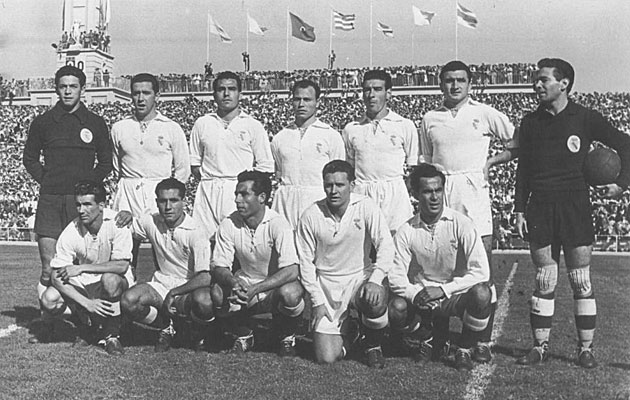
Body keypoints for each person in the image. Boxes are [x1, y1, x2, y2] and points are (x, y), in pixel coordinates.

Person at [514, 58, 630, 369]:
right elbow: (523, 169)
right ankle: (539, 346)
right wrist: (519, 209)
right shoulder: (529, 122)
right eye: (536, 80)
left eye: (544, 80)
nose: (537, 85)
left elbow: (625, 144)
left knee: (580, 280)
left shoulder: (586, 118)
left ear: (564, 83)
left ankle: (585, 349)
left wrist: (621, 184)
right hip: (539, 205)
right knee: (544, 279)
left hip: (575, 205)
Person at [418, 60, 519, 362]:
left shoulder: (484, 113)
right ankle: (440, 339)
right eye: (448, 80)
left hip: (474, 198)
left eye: (460, 80)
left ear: (470, 84)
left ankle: (481, 340)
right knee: (440, 268)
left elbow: (518, 142)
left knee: (481, 272)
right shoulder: (429, 118)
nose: (454, 85)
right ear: (441, 84)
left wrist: (490, 163)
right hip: (441, 196)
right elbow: (425, 161)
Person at [23, 65, 112, 343]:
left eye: (73, 86)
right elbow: (29, 159)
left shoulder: (95, 122)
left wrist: (88, 188)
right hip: (50, 200)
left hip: (81, 203)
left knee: (83, 262)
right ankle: (49, 321)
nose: (68, 91)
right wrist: (47, 180)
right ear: (56, 88)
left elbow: (106, 163)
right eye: (63, 86)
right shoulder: (43, 122)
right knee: (49, 267)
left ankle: (87, 318)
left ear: (82, 89)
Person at [388, 164, 491, 371]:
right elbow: (395, 277)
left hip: (454, 294)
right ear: (415, 194)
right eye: (427, 191)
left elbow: (482, 271)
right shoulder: (406, 230)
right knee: (397, 308)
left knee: (482, 294)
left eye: (438, 190)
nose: (434, 197)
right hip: (423, 296)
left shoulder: (461, 223)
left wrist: (444, 290)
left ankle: (463, 348)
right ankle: (427, 339)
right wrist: (415, 294)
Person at [297, 160, 394, 368]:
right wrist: (316, 301)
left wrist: (376, 279)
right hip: (327, 285)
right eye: (328, 185)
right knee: (326, 358)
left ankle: (373, 345)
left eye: (340, 185)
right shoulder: (310, 215)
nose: (333, 190)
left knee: (374, 301)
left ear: (352, 185)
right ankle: (354, 335)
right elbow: (305, 263)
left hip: (359, 277)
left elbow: (386, 244)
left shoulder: (366, 206)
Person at [211, 171, 305, 356]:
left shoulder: (278, 223)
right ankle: (244, 334)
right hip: (246, 284)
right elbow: (219, 266)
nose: (238, 200)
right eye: (237, 194)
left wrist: (258, 289)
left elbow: (292, 270)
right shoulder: (229, 223)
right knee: (217, 291)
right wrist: (233, 282)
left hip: (273, 287)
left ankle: (286, 336)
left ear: (262, 197)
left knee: (291, 293)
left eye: (244, 194)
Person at [38, 181, 134, 355]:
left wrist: (82, 269)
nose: (81, 210)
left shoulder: (117, 223)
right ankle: (86, 326)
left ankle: (111, 334)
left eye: (87, 204)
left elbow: (122, 265)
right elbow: (55, 276)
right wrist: (87, 303)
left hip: (116, 280)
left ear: (102, 205)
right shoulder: (71, 230)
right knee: (49, 299)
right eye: (78, 204)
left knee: (110, 279)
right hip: (87, 282)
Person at [119, 178, 214, 352]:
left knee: (205, 302)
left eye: (174, 200)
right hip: (162, 285)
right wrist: (125, 216)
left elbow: (205, 277)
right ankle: (166, 326)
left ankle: (197, 330)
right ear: (157, 202)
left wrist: (175, 292)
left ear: (184, 202)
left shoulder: (196, 231)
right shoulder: (151, 221)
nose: (168, 206)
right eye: (163, 201)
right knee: (128, 301)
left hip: (188, 289)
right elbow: (127, 227)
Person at [111, 73, 190, 276]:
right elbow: (116, 166)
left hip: (159, 195)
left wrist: (169, 198)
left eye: (146, 93)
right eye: (136, 93)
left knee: (163, 257)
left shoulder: (171, 128)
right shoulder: (119, 128)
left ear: (157, 95)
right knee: (124, 256)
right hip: (128, 193)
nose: (140, 98)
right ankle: (124, 300)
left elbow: (183, 169)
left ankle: (166, 300)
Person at [189, 71, 274, 239]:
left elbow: (265, 167)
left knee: (238, 243)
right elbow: (195, 164)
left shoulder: (253, 125)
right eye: (221, 89)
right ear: (214, 94)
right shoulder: (202, 123)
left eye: (232, 89)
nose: (226, 94)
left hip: (239, 190)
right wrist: (213, 180)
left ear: (240, 94)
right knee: (204, 245)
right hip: (208, 191)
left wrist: (246, 191)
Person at [342, 69, 419, 234]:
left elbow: (413, 168)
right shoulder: (351, 129)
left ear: (388, 93)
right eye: (367, 90)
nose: (371, 95)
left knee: (397, 253)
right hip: (362, 195)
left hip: (395, 200)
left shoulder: (404, 125)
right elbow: (350, 168)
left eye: (377, 89)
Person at [271, 79, 345, 229]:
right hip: (286, 202)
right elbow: (279, 170)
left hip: (317, 200)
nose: (301, 104)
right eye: (297, 99)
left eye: (307, 99)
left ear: (317, 102)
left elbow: (338, 175)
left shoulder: (331, 135)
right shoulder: (280, 137)